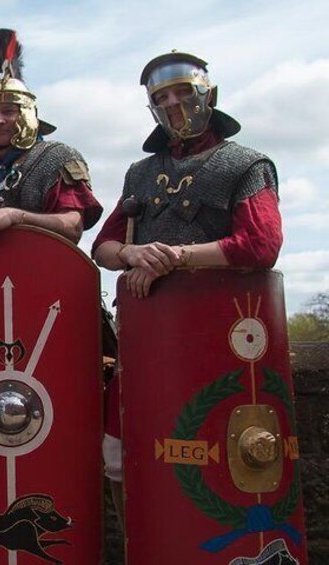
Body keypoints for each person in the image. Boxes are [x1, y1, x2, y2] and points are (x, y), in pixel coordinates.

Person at [91, 51, 282, 520]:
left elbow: (260, 244)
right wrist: (134, 254)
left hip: (221, 332)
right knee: (118, 452)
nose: (173, 103)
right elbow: (103, 246)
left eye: (181, 92)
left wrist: (175, 258)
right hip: (150, 336)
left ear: (207, 95)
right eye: (162, 97)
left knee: (225, 443)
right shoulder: (140, 173)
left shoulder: (245, 163)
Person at [0, 28, 102, 249]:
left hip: (42, 274)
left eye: (8, 111)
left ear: (26, 114)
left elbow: (72, 227)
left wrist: (16, 216)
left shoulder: (57, 158)